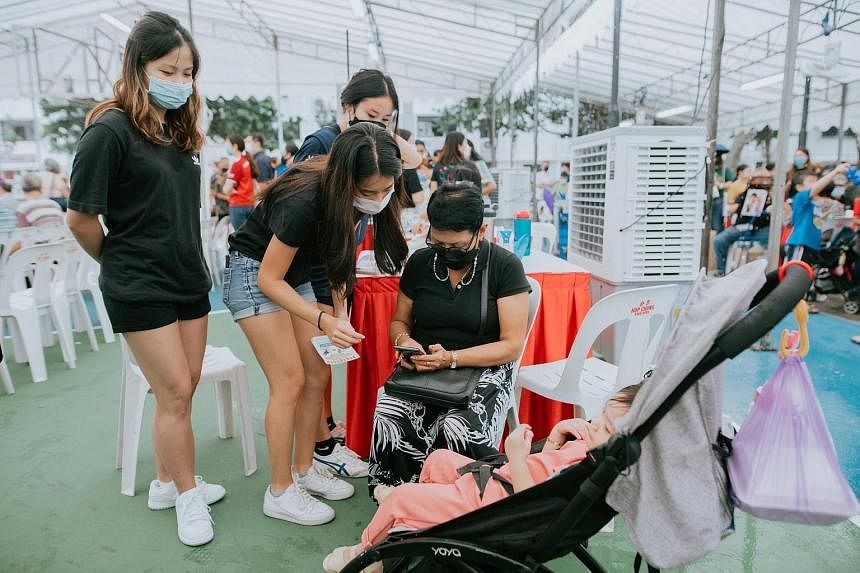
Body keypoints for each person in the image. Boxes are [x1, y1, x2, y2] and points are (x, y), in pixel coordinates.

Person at [67, 12, 223, 547]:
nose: (180, 82)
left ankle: (164, 481)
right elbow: (81, 219)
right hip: (138, 282)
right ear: (138, 66)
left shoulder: (177, 129)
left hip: (187, 277)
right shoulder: (109, 130)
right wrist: (119, 258)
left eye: (187, 73)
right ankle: (186, 494)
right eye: (169, 70)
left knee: (183, 386)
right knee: (175, 390)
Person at [224, 123, 409, 525]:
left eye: (385, 190)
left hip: (297, 274)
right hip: (254, 272)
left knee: (315, 375)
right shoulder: (306, 197)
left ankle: (306, 469)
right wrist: (322, 318)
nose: (379, 199)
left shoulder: (354, 197)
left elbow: (338, 264)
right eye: (370, 192)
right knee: (288, 380)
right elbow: (267, 279)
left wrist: (339, 314)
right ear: (348, 181)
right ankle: (280, 490)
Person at [325, 385, 641, 572]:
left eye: (605, 427)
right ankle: (417, 518)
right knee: (438, 459)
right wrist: (556, 439)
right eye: (601, 414)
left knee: (399, 499)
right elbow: (547, 473)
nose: (594, 422)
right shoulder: (596, 457)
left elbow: (529, 501)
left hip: (496, 506)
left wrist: (517, 455)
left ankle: (368, 555)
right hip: (495, 483)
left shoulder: (588, 466)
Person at [291, 68, 420, 475]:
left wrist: (379, 130)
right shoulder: (322, 144)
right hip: (308, 268)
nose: (379, 126)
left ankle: (324, 434)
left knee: (326, 359)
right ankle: (321, 444)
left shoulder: (375, 145)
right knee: (314, 364)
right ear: (347, 108)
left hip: (335, 263)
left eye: (387, 120)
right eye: (370, 114)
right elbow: (299, 207)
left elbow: (414, 160)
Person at [368, 182, 531, 497]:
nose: (445, 253)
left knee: (460, 426)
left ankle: (464, 500)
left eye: (456, 246)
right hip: (427, 366)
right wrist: (405, 342)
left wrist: (453, 358)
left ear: (480, 231)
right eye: (438, 244)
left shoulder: (504, 267)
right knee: (390, 411)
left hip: (486, 366)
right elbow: (400, 321)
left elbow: (511, 345)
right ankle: (399, 498)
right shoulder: (420, 263)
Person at [784, 164, 850, 267]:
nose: (816, 184)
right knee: (794, 276)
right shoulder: (800, 197)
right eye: (811, 181)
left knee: (806, 279)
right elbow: (816, 188)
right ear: (799, 187)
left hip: (813, 246)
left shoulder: (813, 204)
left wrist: (828, 214)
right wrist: (835, 171)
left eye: (816, 181)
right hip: (800, 243)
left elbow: (817, 222)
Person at [712, 185, 772, 275]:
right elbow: (731, 208)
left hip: (763, 228)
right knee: (718, 240)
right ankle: (721, 270)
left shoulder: (773, 193)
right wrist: (740, 206)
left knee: (772, 243)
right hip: (742, 226)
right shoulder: (744, 193)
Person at [223, 134, 259, 230]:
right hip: (249, 204)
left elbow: (226, 189)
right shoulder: (246, 162)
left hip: (238, 205)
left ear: (234, 146)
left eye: (227, 145)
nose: (226, 147)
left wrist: (231, 190)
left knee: (239, 238)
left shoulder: (237, 164)